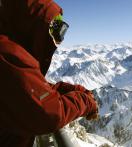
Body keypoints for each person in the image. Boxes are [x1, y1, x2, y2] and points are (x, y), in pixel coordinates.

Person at [0, 0, 99, 146]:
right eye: (54, 29)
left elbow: (28, 89)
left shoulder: (11, 51)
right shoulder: (8, 54)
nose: (57, 40)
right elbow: (47, 115)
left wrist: (77, 90)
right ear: (32, 26)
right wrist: (85, 102)